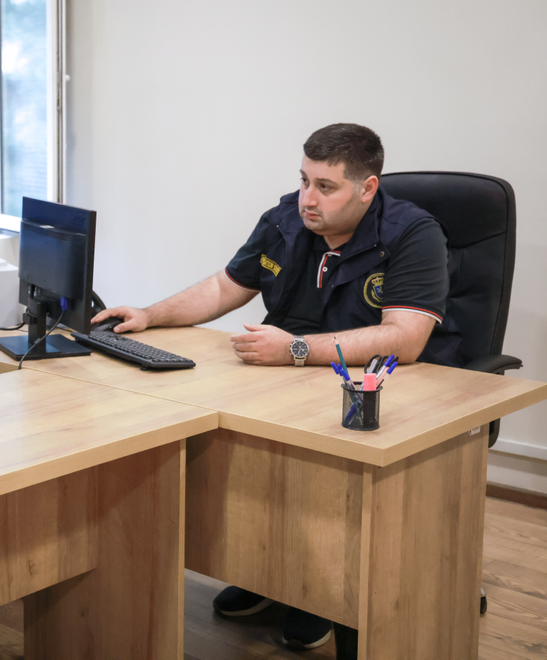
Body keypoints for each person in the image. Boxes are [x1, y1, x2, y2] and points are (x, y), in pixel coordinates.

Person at [93, 123, 455, 650]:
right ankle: (274, 572)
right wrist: (151, 314)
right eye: (304, 180)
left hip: (374, 390)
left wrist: (297, 350)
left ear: (367, 188)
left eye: (325, 187)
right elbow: (225, 286)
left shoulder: (413, 234)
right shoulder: (287, 219)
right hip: (288, 378)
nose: (308, 198)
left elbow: (406, 338)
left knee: (325, 474)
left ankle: (322, 592)